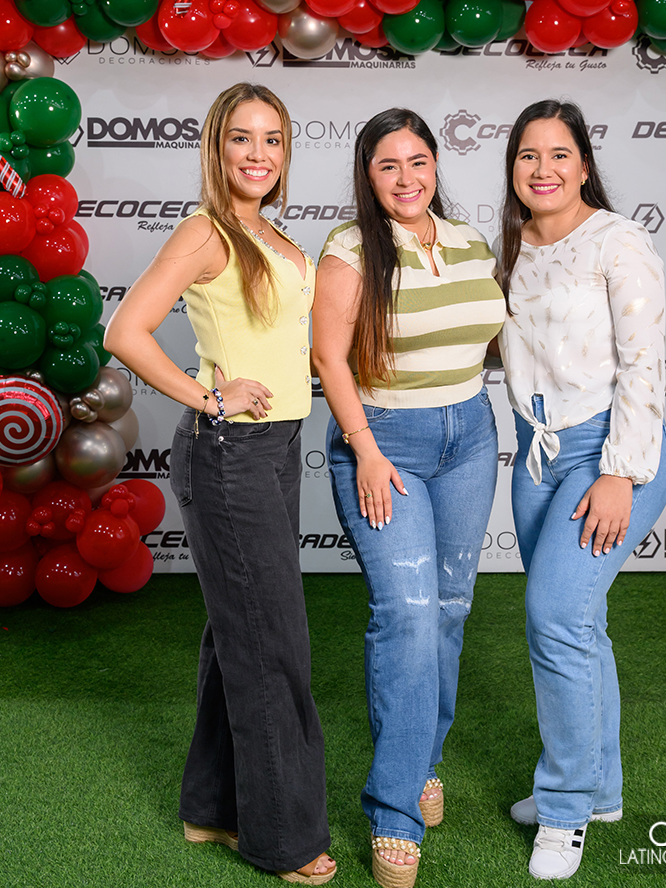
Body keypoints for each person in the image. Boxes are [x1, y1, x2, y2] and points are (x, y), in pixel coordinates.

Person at [104, 82, 336, 886]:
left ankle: (211, 807)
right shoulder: (205, 231)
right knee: (274, 644)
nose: (258, 154)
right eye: (242, 137)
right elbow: (125, 331)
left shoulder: (271, 232)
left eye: (273, 139)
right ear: (217, 146)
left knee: (239, 631)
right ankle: (283, 840)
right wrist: (210, 395)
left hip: (277, 447)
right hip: (230, 451)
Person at [312, 108, 506, 888]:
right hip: (385, 439)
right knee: (409, 615)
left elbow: (494, 337)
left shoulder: (469, 242)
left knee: (451, 609)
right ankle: (394, 813)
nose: (406, 178)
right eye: (387, 165)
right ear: (368, 174)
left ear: (435, 165)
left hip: (472, 436)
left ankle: (423, 759)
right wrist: (364, 448)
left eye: (417, 161)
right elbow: (329, 355)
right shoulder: (351, 249)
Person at [495, 99, 666, 881]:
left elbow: (643, 364)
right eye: (528, 155)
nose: (543, 169)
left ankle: (564, 810)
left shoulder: (617, 240)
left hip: (608, 451)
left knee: (555, 617)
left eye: (559, 154)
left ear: (585, 165)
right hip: (536, 456)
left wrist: (618, 471)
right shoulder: (513, 248)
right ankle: (601, 791)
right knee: (580, 626)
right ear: (512, 168)